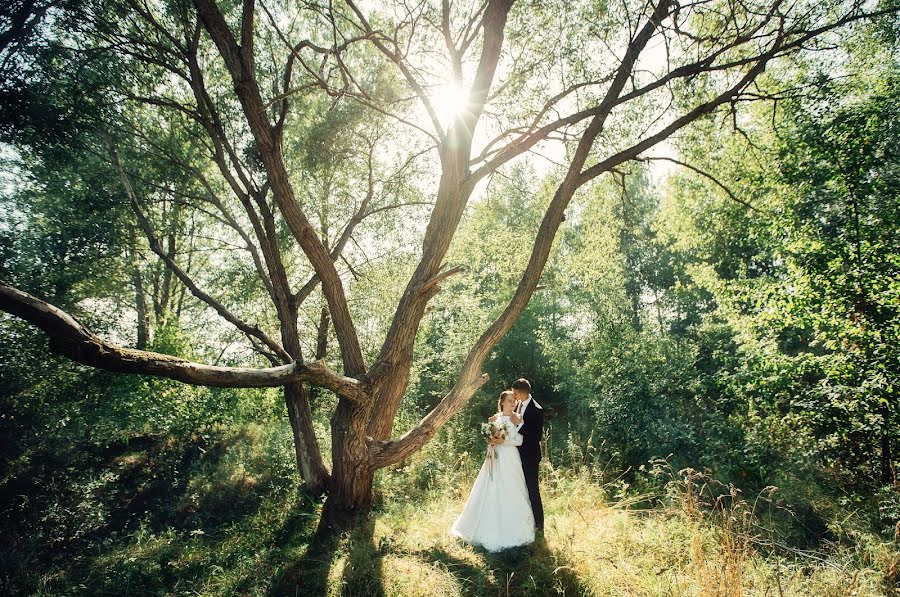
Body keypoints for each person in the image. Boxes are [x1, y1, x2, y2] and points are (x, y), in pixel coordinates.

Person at [450, 390, 535, 551]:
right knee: (491, 486)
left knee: (512, 488)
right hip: (496, 457)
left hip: (510, 457)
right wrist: (493, 441)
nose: (513, 403)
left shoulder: (518, 419)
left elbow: (520, 440)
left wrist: (504, 441)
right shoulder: (494, 419)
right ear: (502, 402)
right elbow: (490, 438)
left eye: (514, 401)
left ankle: (514, 527)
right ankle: (484, 526)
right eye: (510, 400)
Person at [510, 378, 544, 532]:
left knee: (532, 490)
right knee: (517, 489)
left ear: (522, 392)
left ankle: (539, 525)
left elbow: (536, 436)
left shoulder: (537, 409)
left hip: (529, 456)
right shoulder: (515, 405)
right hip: (514, 454)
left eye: (515, 392)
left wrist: (516, 433)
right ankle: (521, 521)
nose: (513, 395)